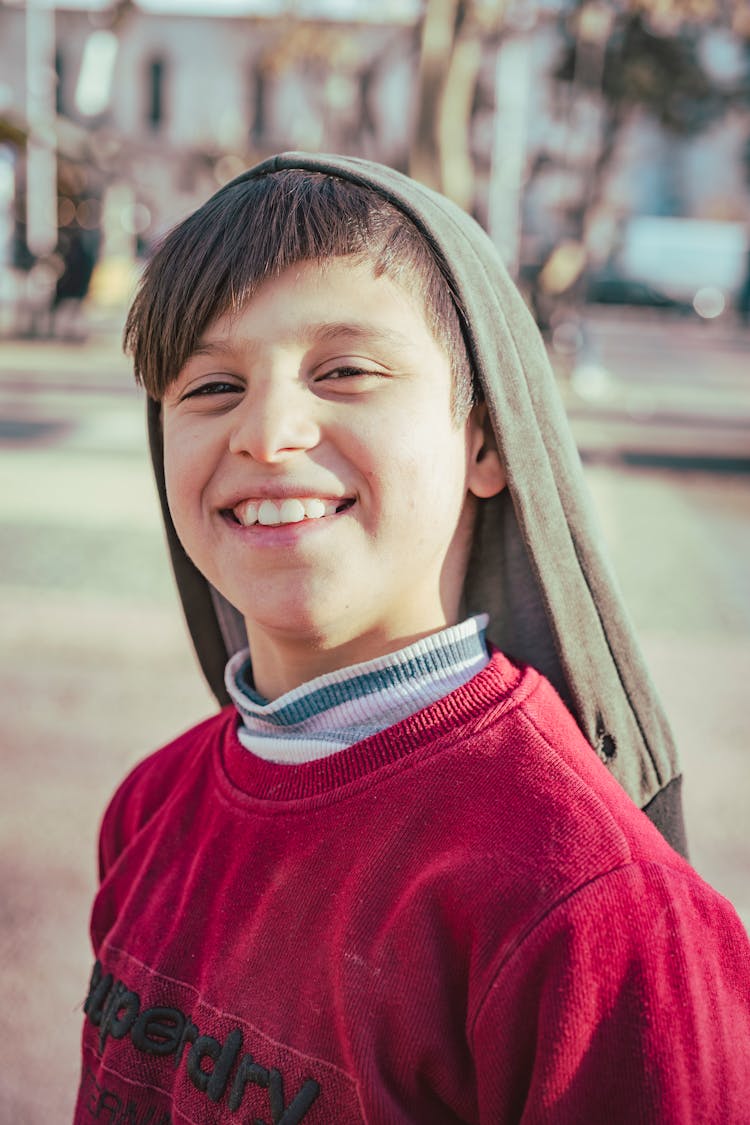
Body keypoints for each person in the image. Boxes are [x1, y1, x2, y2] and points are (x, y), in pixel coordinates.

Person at [75, 153, 750, 1124]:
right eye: (212, 387)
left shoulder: (592, 909)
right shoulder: (149, 810)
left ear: (485, 440)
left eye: (344, 370)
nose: (268, 432)